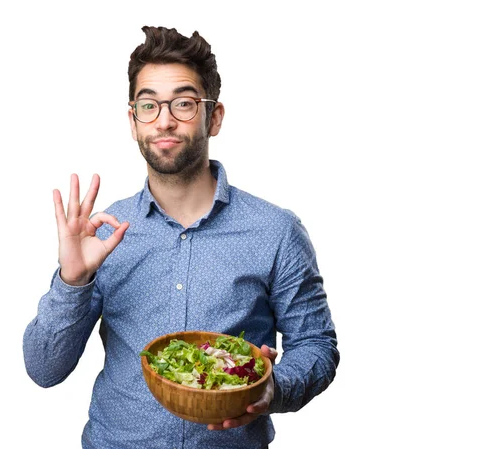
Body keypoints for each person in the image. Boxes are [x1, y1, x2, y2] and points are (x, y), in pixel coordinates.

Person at [23, 26, 339, 449]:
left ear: (215, 116)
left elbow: (316, 346)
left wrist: (270, 388)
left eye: (184, 104)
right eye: (149, 105)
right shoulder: (102, 234)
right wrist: (73, 280)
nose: (165, 120)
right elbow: (44, 369)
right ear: (133, 121)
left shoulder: (276, 231)